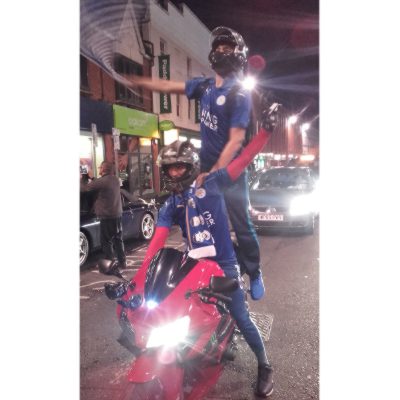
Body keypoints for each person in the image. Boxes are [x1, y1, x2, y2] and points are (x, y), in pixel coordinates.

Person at [132, 107, 279, 397]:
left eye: (180, 167)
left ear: (191, 167)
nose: (175, 173)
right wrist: (140, 278)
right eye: (170, 169)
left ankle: (265, 365)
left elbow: (243, 160)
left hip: (224, 265)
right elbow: (156, 243)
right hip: (194, 266)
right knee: (172, 311)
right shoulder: (170, 204)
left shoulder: (211, 184)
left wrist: (265, 131)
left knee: (241, 316)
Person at [119, 26, 265, 300]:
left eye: (227, 49)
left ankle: (255, 272)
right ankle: (204, 268)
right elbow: (169, 86)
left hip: (230, 172)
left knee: (241, 224)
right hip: (205, 168)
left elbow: (236, 140)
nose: (221, 52)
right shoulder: (205, 86)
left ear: (239, 55)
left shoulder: (239, 94)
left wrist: (214, 172)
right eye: (218, 48)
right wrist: (139, 82)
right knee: (200, 219)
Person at [80, 161, 127, 268]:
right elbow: (100, 183)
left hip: (107, 217)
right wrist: (92, 178)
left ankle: (110, 264)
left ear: (104, 169)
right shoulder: (115, 180)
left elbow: (84, 188)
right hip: (117, 215)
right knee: (118, 239)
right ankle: (122, 262)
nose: (99, 169)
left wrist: (83, 174)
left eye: (100, 167)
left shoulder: (102, 181)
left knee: (106, 241)